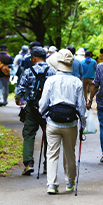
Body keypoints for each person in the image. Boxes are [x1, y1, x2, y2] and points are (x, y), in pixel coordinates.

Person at [39, 49, 87, 194]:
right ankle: (70, 182)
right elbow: (81, 106)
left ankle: (52, 185)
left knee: (52, 153)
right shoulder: (76, 82)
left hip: (53, 122)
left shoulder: (50, 80)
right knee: (69, 153)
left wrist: (43, 115)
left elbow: (43, 103)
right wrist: (82, 124)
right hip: (70, 124)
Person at [15, 46, 57, 175]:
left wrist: (18, 100)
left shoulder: (28, 71)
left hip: (32, 107)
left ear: (33, 58)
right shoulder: (53, 71)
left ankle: (29, 164)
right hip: (48, 109)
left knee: (29, 134)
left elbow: (20, 89)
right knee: (48, 135)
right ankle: (47, 165)